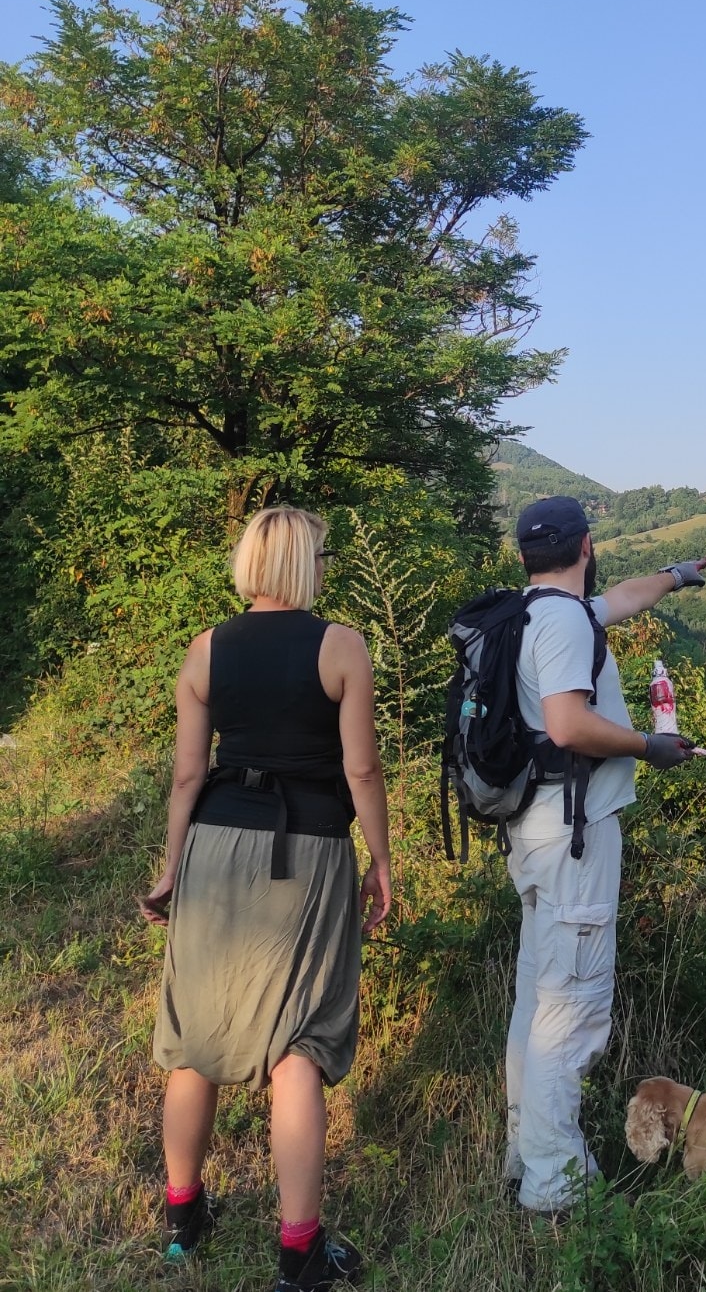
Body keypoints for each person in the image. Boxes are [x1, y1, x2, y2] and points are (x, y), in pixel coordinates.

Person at [138, 506, 393, 1292]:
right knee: (298, 1045)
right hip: (307, 849)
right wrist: (381, 860)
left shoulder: (205, 648)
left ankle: (183, 1222)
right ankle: (299, 1254)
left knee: (195, 1037)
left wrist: (172, 865)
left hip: (215, 844)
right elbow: (361, 770)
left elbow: (188, 773)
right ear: (301, 565)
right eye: (319, 555)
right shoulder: (341, 644)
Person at [503, 495, 706, 1214]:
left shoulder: (532, 612)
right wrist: (648, 745)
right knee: (571, 1010)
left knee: (538, 1000)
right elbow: (566, 724)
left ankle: (525, 1156)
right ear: (586, 545)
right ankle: (556, 1187)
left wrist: (674, 576)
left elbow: (619, 600)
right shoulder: (563, 620)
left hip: (537, 830)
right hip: (575, 835)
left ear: (525, 554)